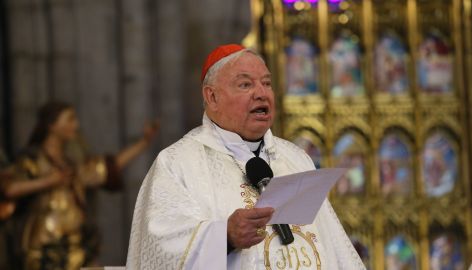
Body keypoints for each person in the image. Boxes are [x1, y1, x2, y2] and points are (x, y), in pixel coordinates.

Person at [126, 44, 365, 269]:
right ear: (212, 97)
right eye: (245, 85)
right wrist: (225, 236)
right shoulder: (177, 163)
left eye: (267, 83)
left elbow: (334, 248)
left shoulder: (295, 158)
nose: (261, 93)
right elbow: (159, 250)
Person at [3, 101, 159, 270]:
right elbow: (9, 189)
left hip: (75, 247)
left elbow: (106, 167)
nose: (75, 125)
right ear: (52, 124)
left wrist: (143, 143)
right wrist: (48, 182)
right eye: (69, 119)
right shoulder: (32, 159)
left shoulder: (70, 163)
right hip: (44, 247)